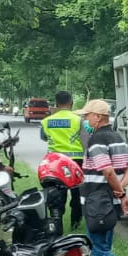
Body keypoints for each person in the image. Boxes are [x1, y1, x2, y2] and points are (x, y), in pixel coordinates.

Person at [77, 99, 128, 256]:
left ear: (97, 117)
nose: (85, 120)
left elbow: (107, 170)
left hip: (97, 202)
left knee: (99, 251)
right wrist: (120, 191)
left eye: (87, 116)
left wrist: (120, 193)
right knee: (101, 246)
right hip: (109, 203)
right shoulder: (117, 137)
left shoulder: (97, 140)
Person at [40, 90, 85, 228]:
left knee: (57, 193)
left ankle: (56, 220)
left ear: (56, 104)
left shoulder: (46, 121)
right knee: (77, 193)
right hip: (75, 161)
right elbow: (85, 140)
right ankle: (75, 222)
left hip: (55, 162)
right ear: (71, 103)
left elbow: (43, 137)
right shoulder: (78, 120)